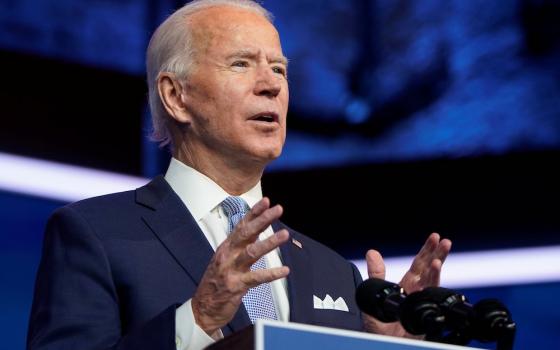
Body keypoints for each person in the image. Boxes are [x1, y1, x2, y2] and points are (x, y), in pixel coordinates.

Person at [27, 1, 451, 349]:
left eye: (280, 69)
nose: (271, 85)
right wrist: (197, 320)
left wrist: (389, 347)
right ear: (176, 96)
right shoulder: (94, 235)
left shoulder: (333, 271)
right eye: (241, 64)